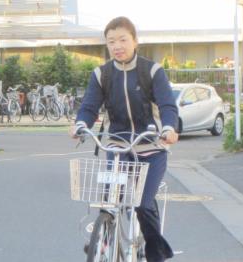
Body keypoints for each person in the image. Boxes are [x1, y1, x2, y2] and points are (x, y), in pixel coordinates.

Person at [71, 16, 178, 262]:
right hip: (118, 149)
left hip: (150, 149)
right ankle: (103, 237)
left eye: (122, 40)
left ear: (135, 41)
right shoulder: (102, 74)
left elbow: (167, 105)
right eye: (111, 41)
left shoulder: (152, 71)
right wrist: (80, 124)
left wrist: (169, 128)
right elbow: (89, 106)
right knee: (109, 200)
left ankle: (154, 252)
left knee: (142, 203)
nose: (117, 46)